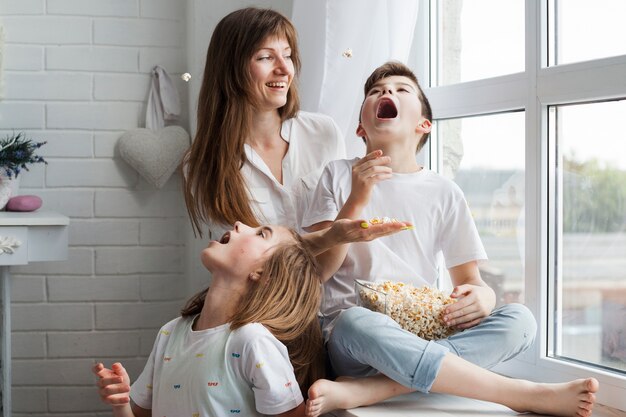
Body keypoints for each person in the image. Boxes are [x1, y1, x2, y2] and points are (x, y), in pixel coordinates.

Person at [301, 61, 599, 417]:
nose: (386, 92)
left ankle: (374, 391)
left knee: (520, 320)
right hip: (355, 340)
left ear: (423, 125)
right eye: (375, 91)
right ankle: (520, 393)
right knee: (355, 321)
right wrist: (357, 199)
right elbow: (316, 271)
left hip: (424, 334)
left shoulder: (444, 192)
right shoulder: (336, 175)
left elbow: (470, 282)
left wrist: (483, 298)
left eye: (401, 89)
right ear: (360, 128)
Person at [93, 222, 325, 417]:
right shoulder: (170, 333)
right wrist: (121, 403)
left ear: (265, 274)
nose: (239, 224)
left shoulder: (253, 341)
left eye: (261, 234)